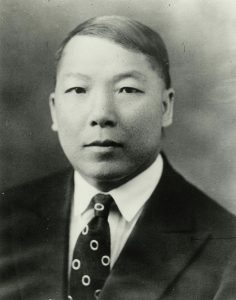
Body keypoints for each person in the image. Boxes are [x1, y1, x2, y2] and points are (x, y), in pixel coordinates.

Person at [1, 15, 236, 300]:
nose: (101, 114)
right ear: (54, 110)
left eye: (127, 89)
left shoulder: (227, 247)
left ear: (166, 107)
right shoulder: (8, 219)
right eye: (78, 89)